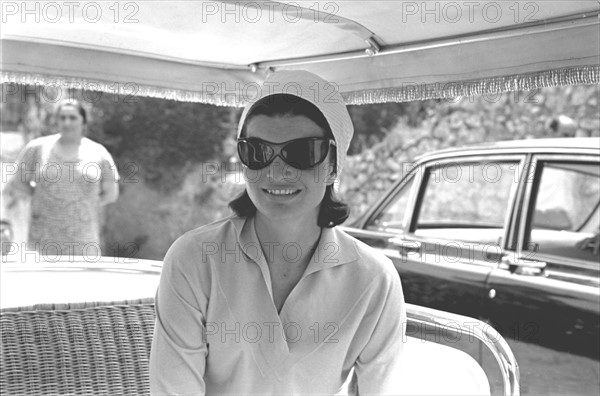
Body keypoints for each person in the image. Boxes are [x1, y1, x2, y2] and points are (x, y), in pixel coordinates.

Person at [150, 70, 407, 395]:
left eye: (301, 152)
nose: (277, 171)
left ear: (333, 165)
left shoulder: (373, 280)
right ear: (242, 161)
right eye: (257, 151)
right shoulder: (194, 260)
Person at [4, 99, 119, 257]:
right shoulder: (37, 148)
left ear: (83, 121)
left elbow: (110, 194)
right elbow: (18, 182)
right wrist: (44, 197)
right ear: (56, 120)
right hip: (43, 239)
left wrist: (80, 203)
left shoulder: (99, 153)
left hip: (83, 241)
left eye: (72, 117)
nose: (67, 122)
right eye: (62, 117)